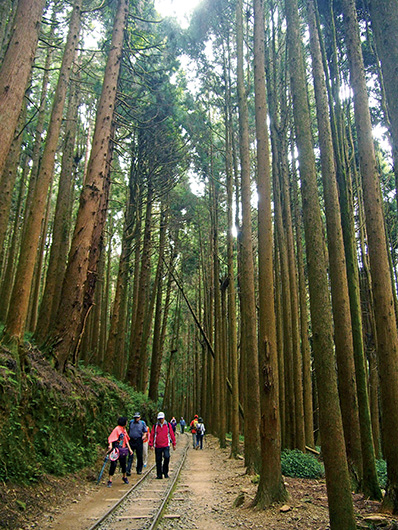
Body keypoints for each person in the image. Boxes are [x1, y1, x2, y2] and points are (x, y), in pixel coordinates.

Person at [149, 412, 176, 479]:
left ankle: (165, 472)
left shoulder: (168, 425)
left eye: (162, 418)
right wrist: (151, 444)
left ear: (164, 418)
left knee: (167, 457)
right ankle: (159, 474)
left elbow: (171, 434)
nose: (161, 420)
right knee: (158, 460)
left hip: (166, 444)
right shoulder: (155, 426)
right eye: (160, 419)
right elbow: (152, 435)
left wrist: (174, 443)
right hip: (157, 445)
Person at [107, 416, 133, 487]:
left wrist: (130, 449)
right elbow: (111, 438)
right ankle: (110, 480)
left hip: (123, 450)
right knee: (113, 464)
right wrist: (110, 446)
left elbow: (126, 440)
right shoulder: (117, 429)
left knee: (123, 464)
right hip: (116, 449)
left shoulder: (123, 430)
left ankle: (124, 477)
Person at [126, 412, 147, 476]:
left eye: (137, 417)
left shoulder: (142, 423)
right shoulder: (131, 422)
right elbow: (129, 430)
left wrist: (144, 436)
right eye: (135, 417)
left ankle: (139, 469)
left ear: (139, 418)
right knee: (130, 455)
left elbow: (145, 431)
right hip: (131, 440)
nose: (136, 419)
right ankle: (128, 469)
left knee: (139, 455)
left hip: (139, 440)